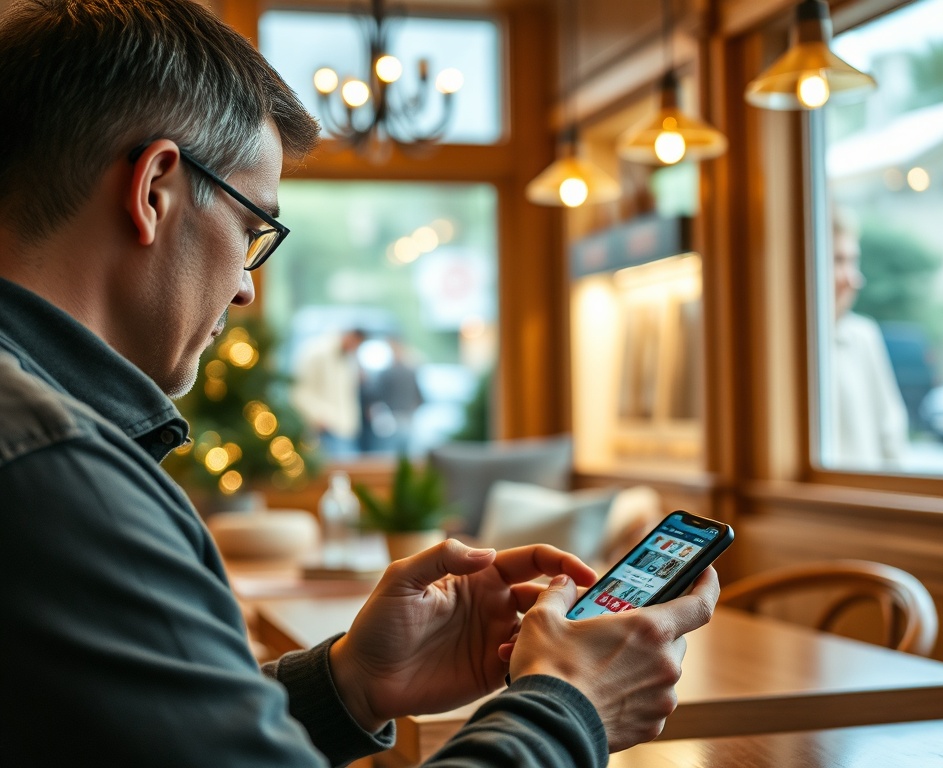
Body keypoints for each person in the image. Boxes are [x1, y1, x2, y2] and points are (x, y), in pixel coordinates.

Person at [0, 2, 719, 766]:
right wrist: (573, 707)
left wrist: (352, 681)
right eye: (251, 231)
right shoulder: (56, 473)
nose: (245, 290)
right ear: (154, 189)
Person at [827, 207, 909, 469]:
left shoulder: (864, 336)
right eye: (837, 261)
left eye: (853, 261)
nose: (853, 279)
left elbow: (891, 437)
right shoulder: (778, 349)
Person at [292, 328, 367, 457]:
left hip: (344, 429)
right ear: (348, 336)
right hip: (325, 428)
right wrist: (317, 417)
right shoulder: (317, 353)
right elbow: (300, 390)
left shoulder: (349, 359)